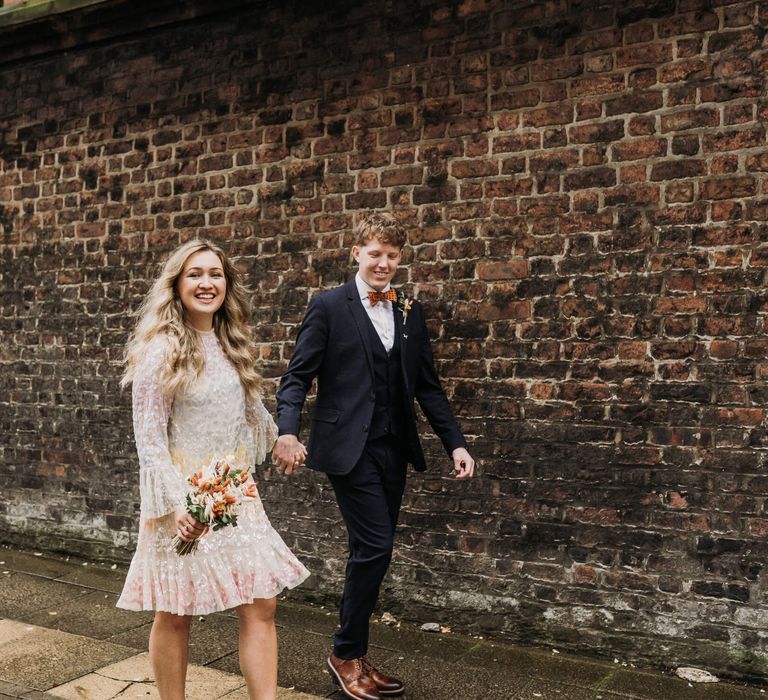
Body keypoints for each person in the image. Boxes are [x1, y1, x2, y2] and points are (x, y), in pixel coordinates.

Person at [272, 213, 475, 700]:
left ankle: (354, 653)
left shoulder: (408, 310)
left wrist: (456, 443)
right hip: (348, 449)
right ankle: (344, 654)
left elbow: (427, 386)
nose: (383, 263)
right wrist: (286, 431)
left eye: (392, 256)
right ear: (356, 253)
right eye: (375, 253)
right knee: (376, 546)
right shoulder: (327, 307)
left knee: (371, 552)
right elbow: (297, 377)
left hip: (394, 447)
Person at [117, 240, 309, 700]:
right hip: (181, 496)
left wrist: (281, 435)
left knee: (261, 602)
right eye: (195, 274)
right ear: (177, 285)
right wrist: (177, 501)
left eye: (216, 274)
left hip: (235, 492)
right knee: (176, 611)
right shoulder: (161, 351)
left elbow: (249, 412)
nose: (207, 283)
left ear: (227, 283)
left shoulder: (230, 341)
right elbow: (149, 440)